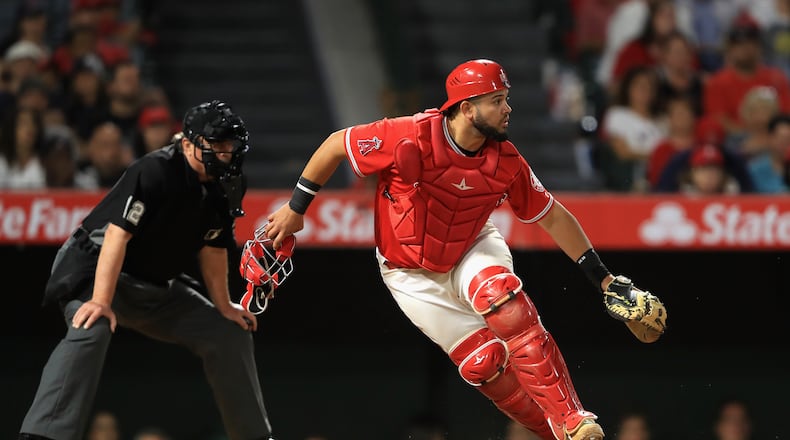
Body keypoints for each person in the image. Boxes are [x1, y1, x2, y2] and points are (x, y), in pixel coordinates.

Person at [264, 59, 665, 440]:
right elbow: (337, 144)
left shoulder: (506, 161)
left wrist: (605, 279)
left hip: (471, 244)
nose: (508, 109)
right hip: (407, 272)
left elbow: (553, 216)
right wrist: (296, 208)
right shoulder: (409, 135)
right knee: (484, 364)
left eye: (506, 99)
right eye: (497, 101)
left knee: (502, 298)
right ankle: (552, 434)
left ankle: (572, 419)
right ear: (467, 107)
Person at [18, 100, 279, 440]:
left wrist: (224, 304)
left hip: (156, 289)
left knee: (228, 332)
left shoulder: (228, 185)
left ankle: (254, 437)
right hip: (95, 271)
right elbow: (116, 236)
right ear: (187, 143)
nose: (225, 153)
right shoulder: (155, 170)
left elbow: (213, 247)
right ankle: (43, 435)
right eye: (215, 145)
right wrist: (100, 299)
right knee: (91, 326)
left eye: (230, 145)